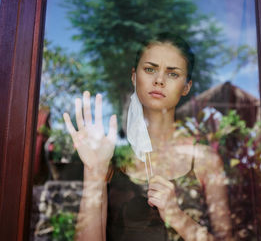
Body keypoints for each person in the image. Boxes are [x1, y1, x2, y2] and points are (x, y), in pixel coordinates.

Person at [63, 32, 233, 241]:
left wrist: (175, 215)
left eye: (172, 74)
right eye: (150, 69)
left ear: (186, 86)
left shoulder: (204, 159)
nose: (159, 80)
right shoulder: (109, 156)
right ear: (134, 77)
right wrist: (93, 173)